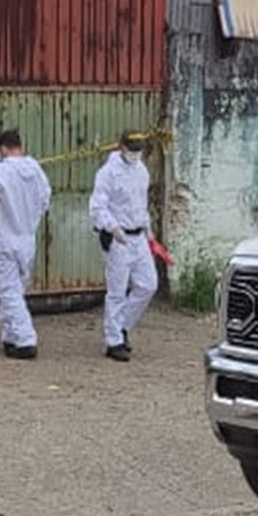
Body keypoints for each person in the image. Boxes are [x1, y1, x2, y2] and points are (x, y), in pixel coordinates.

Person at [0, 130, 52, 360]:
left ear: (2, 148)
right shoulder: (36, 170)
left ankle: (25, 339)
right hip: (28, 238)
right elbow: (45, 199)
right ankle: (9, 336)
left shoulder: (1, 171)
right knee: (18, 288)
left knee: (9, 291)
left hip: (7, 237)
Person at [90, 131, 158, 362]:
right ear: (121, 147)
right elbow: (98, 206)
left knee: (148, 285)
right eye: (132, 149)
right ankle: (114, 341)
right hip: (118, 237)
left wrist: (148, 228)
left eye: (139, 149)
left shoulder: (141, 170)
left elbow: (141, 203)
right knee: (117, 291)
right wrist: (112, 227)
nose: (136, 154)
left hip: (138, 236)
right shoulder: (107, 173)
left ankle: (122, 326)